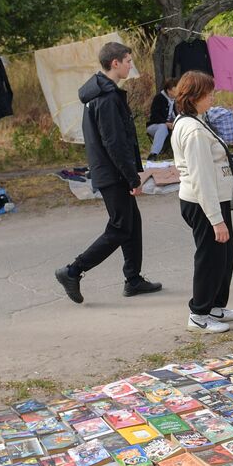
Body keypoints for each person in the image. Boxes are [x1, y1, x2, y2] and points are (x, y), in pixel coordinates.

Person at [55, 42, 162, 304]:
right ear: (114, 63)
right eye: (127, 60)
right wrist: (132, 177)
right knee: (120, 228)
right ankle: (73, 271)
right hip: (112, 173)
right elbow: (115, 142)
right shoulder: (107, 97)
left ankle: (133, 279)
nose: (130, 65)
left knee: (131, 225)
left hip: (111, 171)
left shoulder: (101, 93)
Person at [171, 71, 233, 333]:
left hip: (215, 199)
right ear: (194, 97)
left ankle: (214, 305)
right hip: (203, 203)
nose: (213, 96)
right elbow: (201, 178)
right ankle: (198, 314)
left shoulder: (197, 121)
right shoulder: (193, 131)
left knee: (224, 255)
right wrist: (216, 219)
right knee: (210, 258)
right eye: (209, 92)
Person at [146, 76, 179, 158]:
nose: (177, 94)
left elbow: (175, 115)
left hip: (168, 126)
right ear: (168, 91)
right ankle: (153, 154)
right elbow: (155, 116)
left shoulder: (173, 100)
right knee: (162, 127)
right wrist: (166, 123)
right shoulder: (159, 98)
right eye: (175, 92)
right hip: (154, 126)